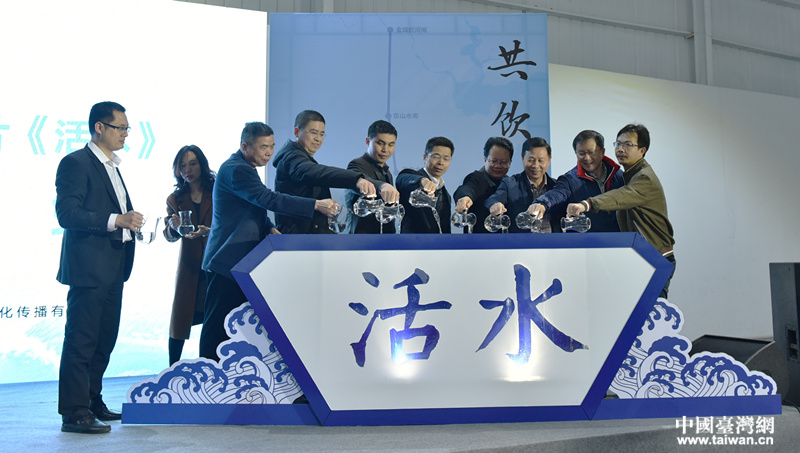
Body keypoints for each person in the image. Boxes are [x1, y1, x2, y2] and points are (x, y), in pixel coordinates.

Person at [199, 122, 338, 361]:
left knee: (233, 327)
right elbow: (266, 198)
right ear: (245, 146)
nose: (269, 152)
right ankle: (207, 375)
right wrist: (315, 204)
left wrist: (269, 227)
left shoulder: (244, 167)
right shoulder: (237, 169)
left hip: (238, 262)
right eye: (264, 147)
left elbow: (252, 208)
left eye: (272, 146)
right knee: (217, 327)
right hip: (226, 260)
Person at [55, 101, 143, 434]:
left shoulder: (112, 166)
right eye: (121, 128)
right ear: (99, 127)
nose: (126, 134)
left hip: (114, 265)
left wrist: (129, 224)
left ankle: (92, 400)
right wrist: (116, 220)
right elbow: (67, 214)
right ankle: (74, 412)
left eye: (127, 128)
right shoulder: (76, 163)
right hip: (88, 268)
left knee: (104, 340)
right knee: (81, 340)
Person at [566, 124, 676, 297]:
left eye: (628, 145)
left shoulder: (644, 178)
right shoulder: (628, 175)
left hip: (655, 256)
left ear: (642, 150)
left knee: (651, 312)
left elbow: (620, 196)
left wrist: (587, 204)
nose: (620, 149)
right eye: (618, 144)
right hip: (641, 256)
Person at [272, 110, 376, 234]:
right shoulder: (292, 157)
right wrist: (356, 179)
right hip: (299, 239)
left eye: (321, 134)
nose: (318, 139)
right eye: (313, 132)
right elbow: (316, 172)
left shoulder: (302, 157)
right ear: (297, 132)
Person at [162, 145, 214, 366]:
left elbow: (229, 223)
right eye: (182, 166)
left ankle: (211, 367)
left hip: (214, 263)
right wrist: (174, 227)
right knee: (180, 321)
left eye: (192, 164)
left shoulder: (218, 190)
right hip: (190, 266)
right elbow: (169, 235)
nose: (187, 170)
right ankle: (172, 370)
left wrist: (209, 231)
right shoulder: (175, 199)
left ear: (202, 165)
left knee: (214, 321)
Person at [529, 130, 624, 232]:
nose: (587, 158)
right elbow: (557, 194)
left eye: (591, 152)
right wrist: (542, 203)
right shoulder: (569, 180)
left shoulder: (619, 176)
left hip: (621, 239)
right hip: (586, 241)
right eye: (581, 153)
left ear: (602, 152)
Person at [486, 137, 558, 233]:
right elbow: (494, 199)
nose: (535, 165)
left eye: (541, 160)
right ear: (523, 158)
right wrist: (495, 205)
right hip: (521, 241)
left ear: (549, 160)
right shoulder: (510, 184)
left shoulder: (557, 187)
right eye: (531, 160)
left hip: (553, 241)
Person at [345, 120, 401, 234]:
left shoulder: (387, 172)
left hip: (385, 238)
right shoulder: (356, 165)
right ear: (367, 141)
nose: (385, 149)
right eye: (380, 143)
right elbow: (359, 179)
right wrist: (382, 186)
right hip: (362, 238)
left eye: (391, 144)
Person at [453, 137, 514, 233]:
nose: (498, 166)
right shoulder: (476, 178)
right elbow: (467, 188)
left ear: (510, 162)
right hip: (477, 240)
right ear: (485, 160)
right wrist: (465, 197)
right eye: (494, 161)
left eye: (503, 162)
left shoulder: (510, 183)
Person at [396, 136, 454, 234]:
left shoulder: (446, 194)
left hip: (437, 243)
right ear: (425, 157)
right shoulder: (414, 177)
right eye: (436, 157)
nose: (441, 163)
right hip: (412, 241)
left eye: (446, 159)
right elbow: (402, 179)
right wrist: (422, 181)